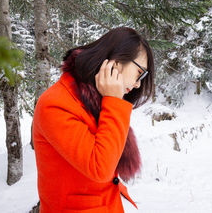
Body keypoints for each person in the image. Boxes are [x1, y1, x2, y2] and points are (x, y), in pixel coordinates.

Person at [33, 27, 155, 213]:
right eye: (140, 73)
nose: (138, 83)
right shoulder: (56, 104)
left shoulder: (94, 101)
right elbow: (101, 168)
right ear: (115, 62)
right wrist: (114, 101)